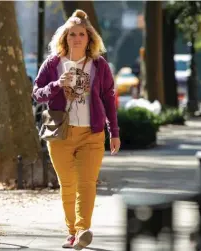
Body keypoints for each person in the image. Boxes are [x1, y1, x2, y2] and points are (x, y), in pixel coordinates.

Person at [32, 9, 120, 250]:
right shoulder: (53, 64)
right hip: (61, 133)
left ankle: (83, 230)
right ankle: (71, 232)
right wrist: (56, 85)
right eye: (72, 34)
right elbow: (37, 94)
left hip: (92, 133)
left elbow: (109, 97)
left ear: (89, 38)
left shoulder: (99, 65)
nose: (77, 38)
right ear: (65, 38)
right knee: (68, 184)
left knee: (87, 184)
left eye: (82, 34)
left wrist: (114, 132)